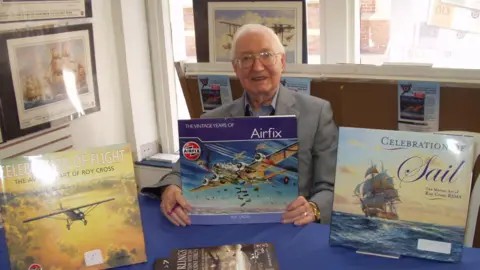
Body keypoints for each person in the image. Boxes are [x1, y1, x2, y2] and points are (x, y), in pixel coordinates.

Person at [141, 23, 339, 227]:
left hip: (292, 227)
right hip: (231, 228)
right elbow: (180, 171)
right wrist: (170, 188)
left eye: (266, 55)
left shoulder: (317, 113)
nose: (257, 66)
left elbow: (332, 186)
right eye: (246, 59)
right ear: (235, 68)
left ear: (282, 61)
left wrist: (314, 208)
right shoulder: (211, 120)